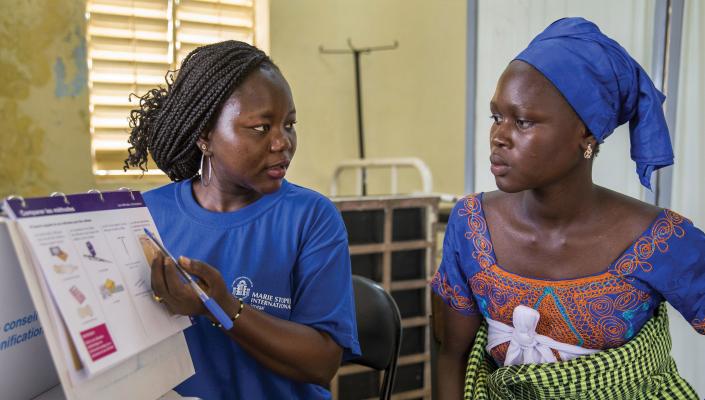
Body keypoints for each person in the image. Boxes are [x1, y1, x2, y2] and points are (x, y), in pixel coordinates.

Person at [431, 17, 705, 399]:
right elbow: (451, 357)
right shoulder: (473, 226)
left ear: (586, 134)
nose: (498, 136)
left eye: (523, 121)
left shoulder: (657, 240)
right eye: (497, 116)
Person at [124, 40, 360, 399]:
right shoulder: (146, 215)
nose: (283, 142)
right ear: (205, 136)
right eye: (262, 128)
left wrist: (220, 305)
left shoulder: (311, 218)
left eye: (289, 125)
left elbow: (322, 362)